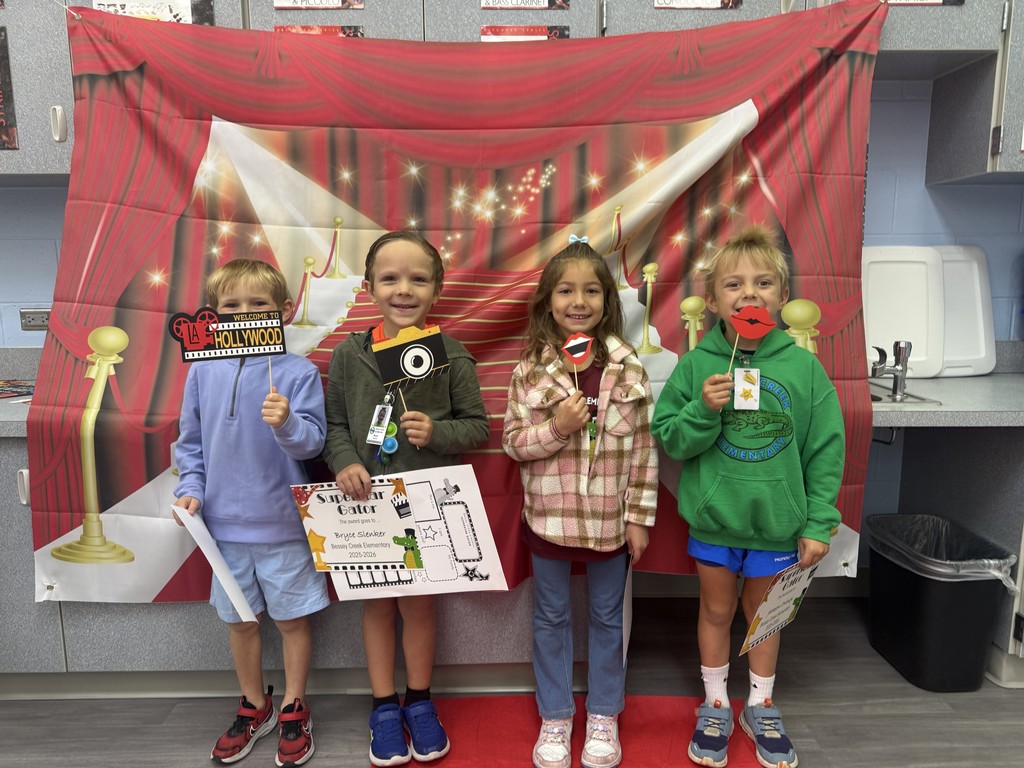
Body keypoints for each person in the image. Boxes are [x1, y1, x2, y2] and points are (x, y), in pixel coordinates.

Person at [651, 226, 845, 768]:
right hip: (715, 521)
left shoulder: (805, 368)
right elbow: (669, 438)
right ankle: (715, 703)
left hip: (781, 524)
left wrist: (817, 522)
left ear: (783, 298)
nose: (750, 294)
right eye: (734, 285)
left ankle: (760, 704)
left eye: (763, 283)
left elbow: (826, 450)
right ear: (713, 301)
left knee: (765, 617)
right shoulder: (696, 365)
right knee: (715, 611)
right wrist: (701, 411)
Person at [321, 231, 489, 767]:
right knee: (377, 606)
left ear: (437, 290)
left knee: (419, 607)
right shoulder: (348, 356)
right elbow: (334, 424)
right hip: (366, 506)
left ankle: (419, 701)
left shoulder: (453, 356)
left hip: (425, 502)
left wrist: (436, 431)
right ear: (369, 287)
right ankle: (383, 706)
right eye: (390, 278)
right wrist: (345, 461)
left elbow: (477, 428)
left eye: (418, 278)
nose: (403, 289)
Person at [502, 237, 658, 768]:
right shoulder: (530, 370)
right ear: (548, 299)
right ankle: (555, 716)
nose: (578, 301)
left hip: (610, 523)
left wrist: (638, 518)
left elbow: (643, 448)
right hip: (548, 518)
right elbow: (514, 444)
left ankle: (604, 715)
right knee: (550, 616)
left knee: (608, 618)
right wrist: (557, 427)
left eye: (592, 290)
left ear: (607, 302)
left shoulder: (628, 368)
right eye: (566, 290)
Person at [173, 258, 329, 767]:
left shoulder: (299, 372)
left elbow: (313, 444)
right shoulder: (201, 372)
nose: (244, 313)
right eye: (232, 305)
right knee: (240, 622)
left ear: (283, 311)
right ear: (215, 316)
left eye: (257, 304)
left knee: (290, 620)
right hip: (223, 529)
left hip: (285, 524)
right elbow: (190, 443)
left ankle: (294, 704)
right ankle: (255, 704)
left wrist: (286, 422)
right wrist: (192, 488)